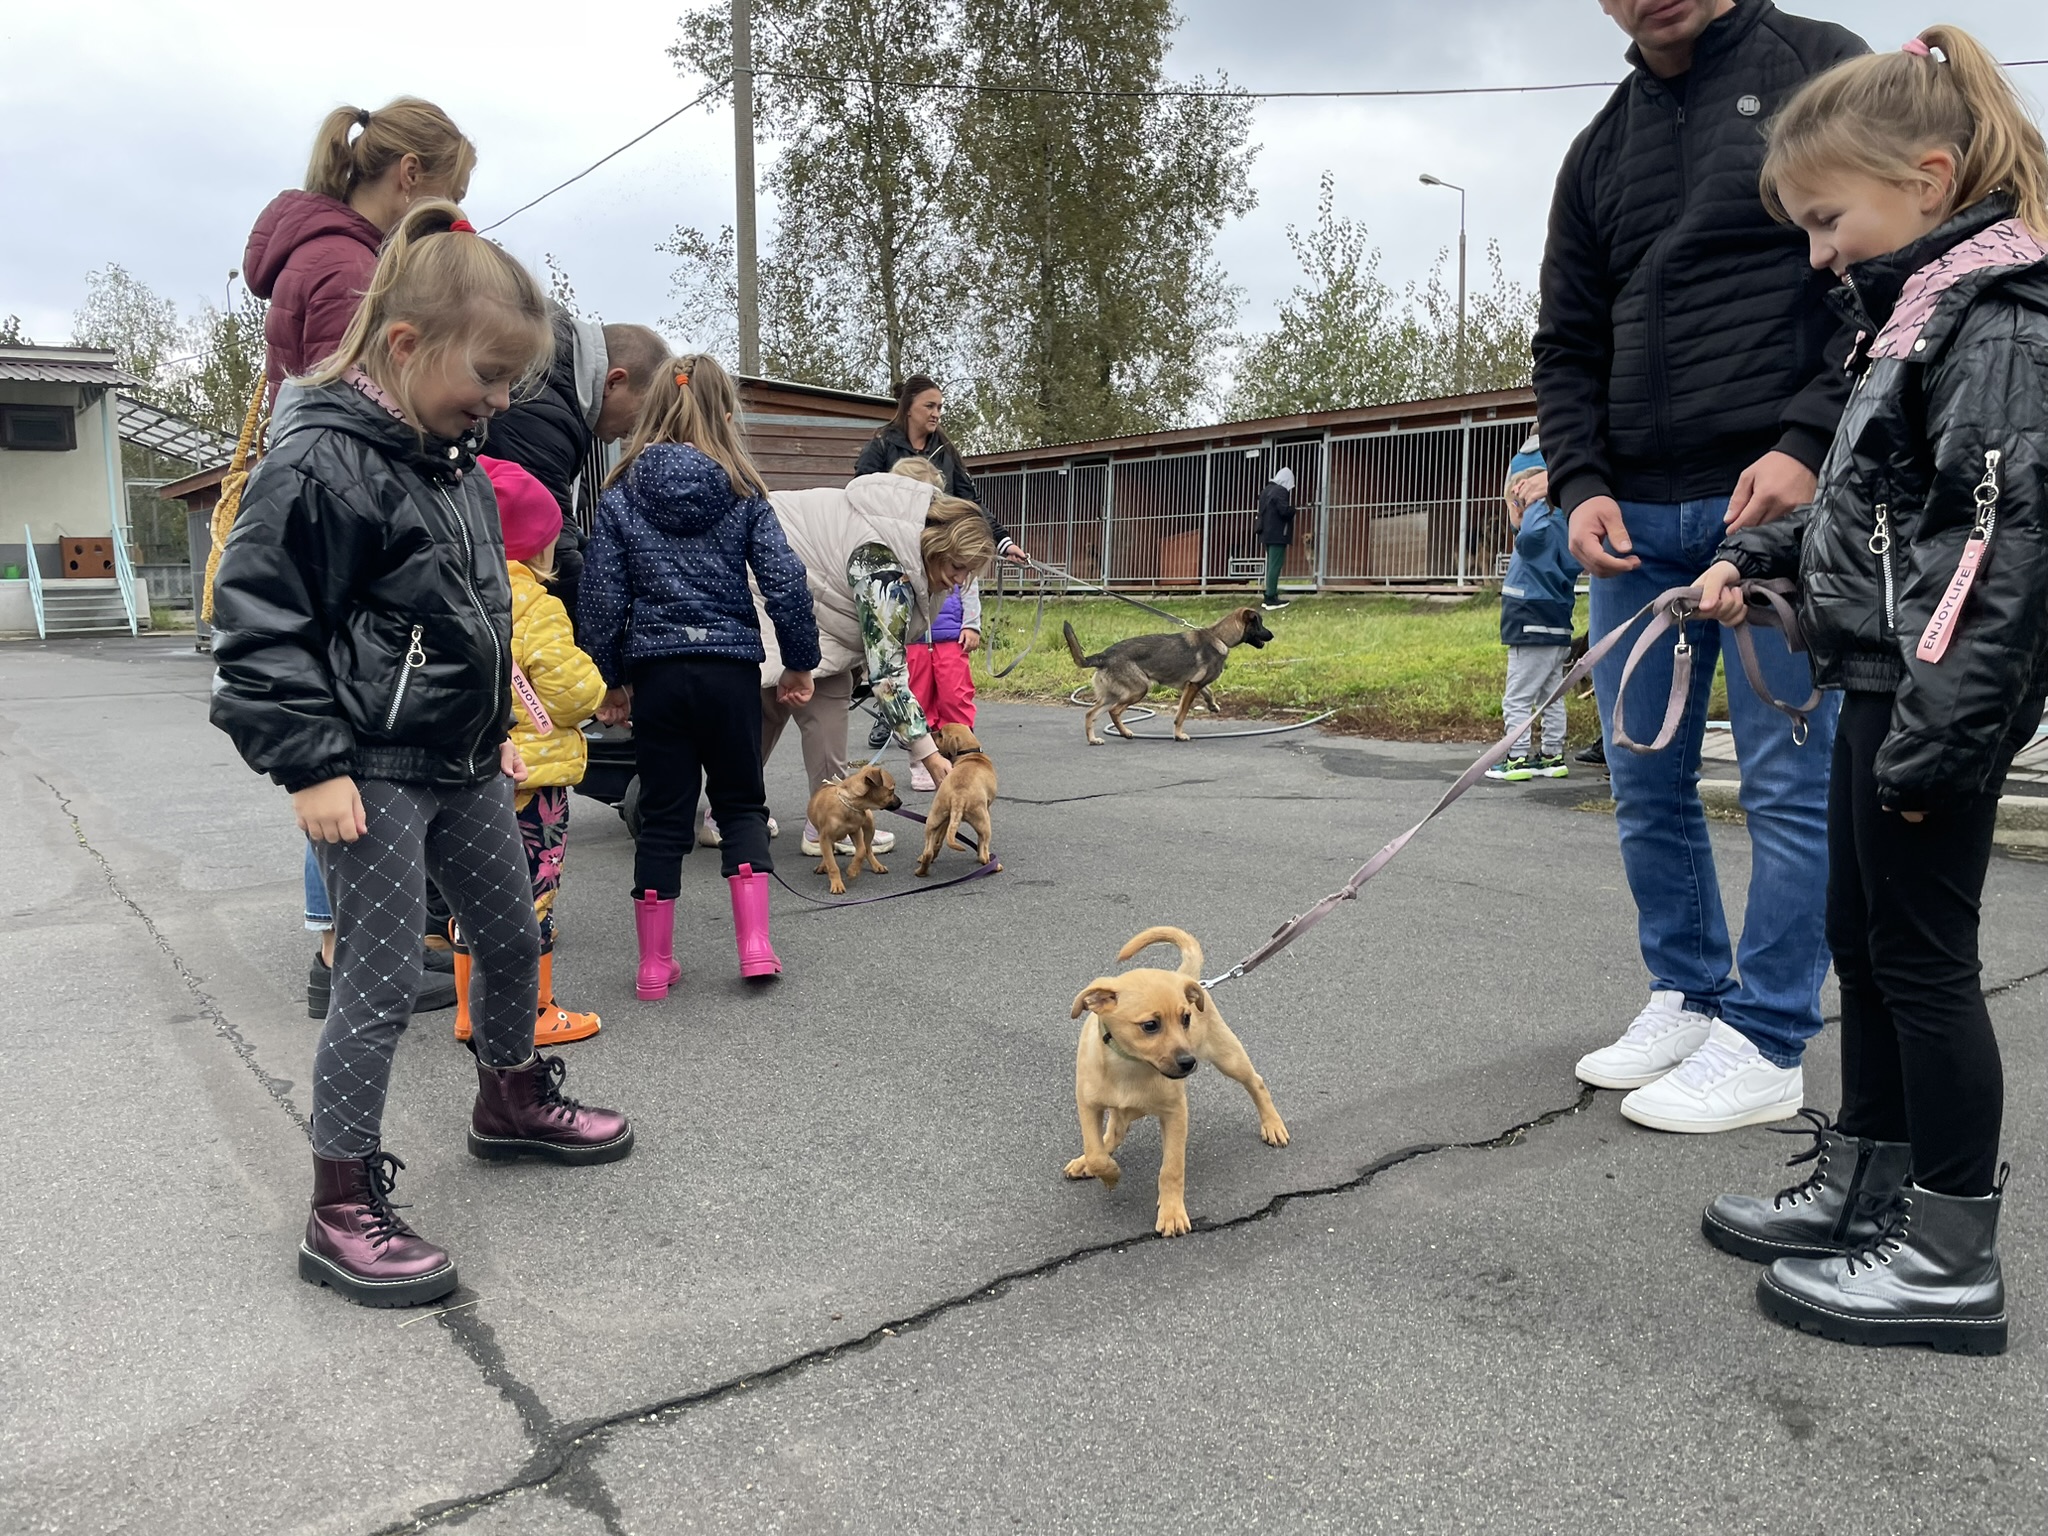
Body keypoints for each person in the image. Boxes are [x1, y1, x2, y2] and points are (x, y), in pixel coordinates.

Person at [1692, 26, 2048, 1355]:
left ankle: (1951, 1251)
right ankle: (1869, 1185)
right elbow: (1872, 507)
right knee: (1865, 942)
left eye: (1827, 217)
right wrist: (1751, 557)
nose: (1815, 250)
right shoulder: (1911, 319)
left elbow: (1999, 557)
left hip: (1928, 702)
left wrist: (1943, 738)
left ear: (1933, 177)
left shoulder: (2003, 329)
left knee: (1925, 963)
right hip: (1875, 682)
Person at [209, 201, 633, 1309]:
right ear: (405, 346)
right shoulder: (315, 460)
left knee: (508, 931)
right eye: (488, 377)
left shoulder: (441, 454)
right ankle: (339, 1203)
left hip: (458, 758)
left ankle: (509, 1099)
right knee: (386, 977)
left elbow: (471, 608)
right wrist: (310, 765)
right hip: (367, 768)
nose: (498, 403)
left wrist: (495, 717)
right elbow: (256, 622)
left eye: (510, 385)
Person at [1534, 0, 1867, 1133]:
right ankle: (1685, 992)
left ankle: (1770, 1035)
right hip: (1632, 518)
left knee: (1785, 786)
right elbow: (1566, 340)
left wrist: (1807, 440)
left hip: (1775, 506)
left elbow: (1879, 273)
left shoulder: (1818, 67)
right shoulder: (1596, 149)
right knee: (1643, 781)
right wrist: (1577, 483)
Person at [244, 97, 476, 1022]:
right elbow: (362, 406)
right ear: (411, 178)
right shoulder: (348, 265)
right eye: (452, 190)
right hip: (349, 518)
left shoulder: (318, 252)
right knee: (357, 729)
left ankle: (345, 941)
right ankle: (345, 948)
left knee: (350, 721)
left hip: (323, 508)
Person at [579, 355, 822, 995]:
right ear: (725, 411)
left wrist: (609, 680)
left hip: (658, 674)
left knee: (663, 812)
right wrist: (799, 662)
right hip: (729, 670)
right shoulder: (744, 491)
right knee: (741, 802)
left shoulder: (622, 494)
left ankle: (655, 965)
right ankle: (755, 947)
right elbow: (785, 583)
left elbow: (603, 595)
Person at [446, 456, 610, 1048]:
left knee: (473, 893)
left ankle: (470, 1012)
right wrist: (595, 684)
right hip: (534, 780)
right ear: (533, 547)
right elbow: (571, 695)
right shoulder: (535, 605)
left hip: (471, 775)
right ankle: (533, 1011)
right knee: (532, 892)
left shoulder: (452, 591)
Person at [756, 474, 998, 855]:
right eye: (957, 566)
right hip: (765, 587)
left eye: (968, 572)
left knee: (820, 696)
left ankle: (819, 821)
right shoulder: (882, 566)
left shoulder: (908, 536)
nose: (959, 581)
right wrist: (930, 756)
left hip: (814, 602)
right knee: (770, 703)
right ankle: (747, 813)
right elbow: (887, 675)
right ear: (936, 546)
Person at [475, 310, 669, 630]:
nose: (639, 430)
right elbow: (549, 545)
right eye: (645, 410)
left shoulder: (557, 386)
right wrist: (602, 639)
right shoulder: (542, 408)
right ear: (615, 381)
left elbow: (561, 522)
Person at [890, 456, 981, 791]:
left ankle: (963, 754)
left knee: (956, 697)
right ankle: (921, 759)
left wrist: (972, 624)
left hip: (949, 637)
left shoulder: (952, 543)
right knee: (918, 696)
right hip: (914, 639)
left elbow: (968, 585)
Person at [1489, 440, 1578, 782]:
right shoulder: (1567, 526)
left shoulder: (1536, 531)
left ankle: (1516, 756)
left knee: (1518, 695)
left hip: (1530, 619)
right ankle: (1552, 754)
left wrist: (1532, 503)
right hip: (1558, 622)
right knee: (1550, 694)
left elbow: (1528, 538)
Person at [1258, 466, 1297, 611]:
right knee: (1275, 565)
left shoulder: (1266, 491)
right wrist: (1293, 509)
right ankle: (1270, 598)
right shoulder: (1280, 491)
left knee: (1271, 565)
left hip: (1266, 534)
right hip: (1277, 534)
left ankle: (1270, 595)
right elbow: (1284, 511)